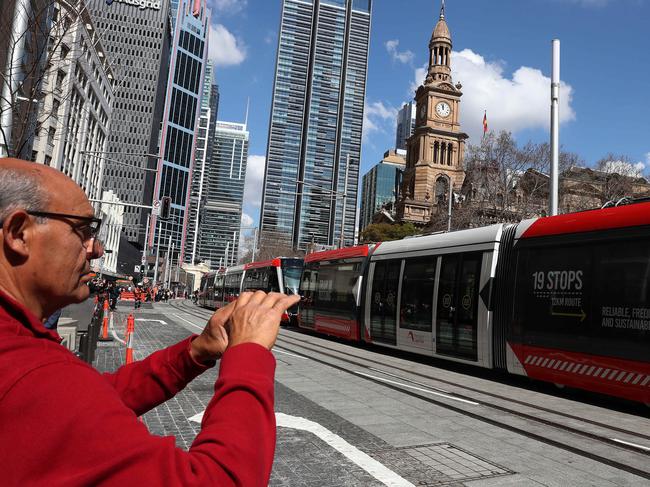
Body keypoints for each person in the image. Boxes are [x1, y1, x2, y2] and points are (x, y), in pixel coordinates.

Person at [0, 158, 300, 485]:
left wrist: (193, 354)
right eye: (83, 231)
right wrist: (249, 352)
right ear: (19, 233)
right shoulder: (29, 373)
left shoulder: (23, 358)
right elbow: (219, 479)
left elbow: (88, 401)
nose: (96, 249)